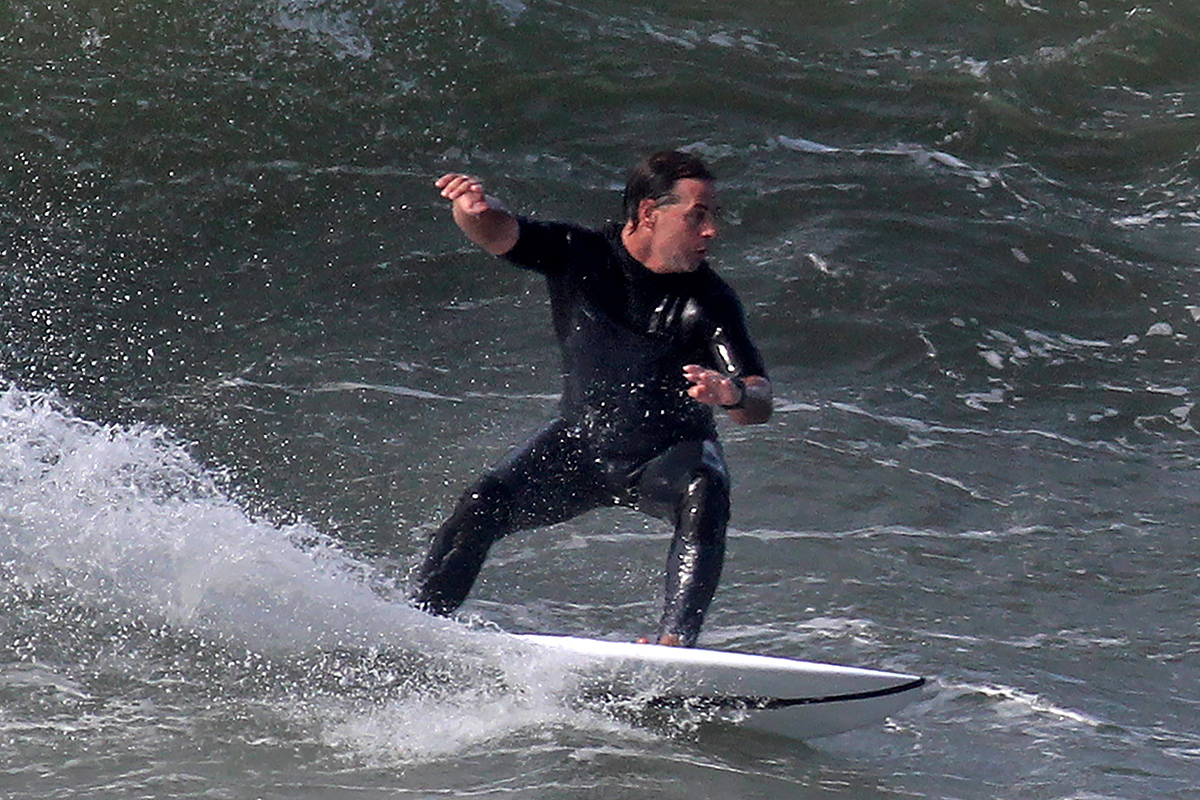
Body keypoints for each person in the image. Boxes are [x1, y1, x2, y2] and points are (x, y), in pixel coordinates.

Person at [410, 150, 772, 646]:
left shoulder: (709, 301)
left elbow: (759, 398)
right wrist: (471, 208)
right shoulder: (580, 254)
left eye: (712, 217)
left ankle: (673, 647)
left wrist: (732, 394)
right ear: (649, 213)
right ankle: (417, 628)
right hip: (581, 447)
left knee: (705, 492)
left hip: (667, 457)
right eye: (697, 216)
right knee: (481, 503)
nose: (711, 231)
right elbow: (499, 232)